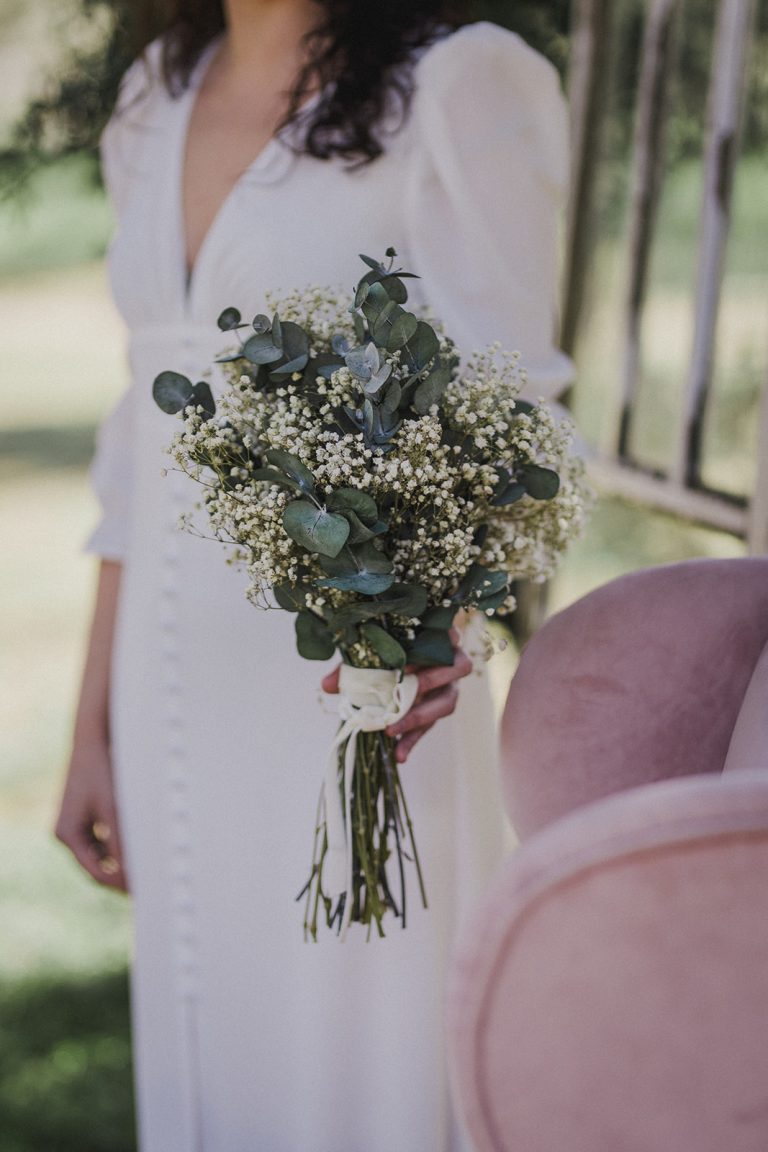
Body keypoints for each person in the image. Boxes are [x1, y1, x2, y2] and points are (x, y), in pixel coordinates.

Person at [54, 2, 573, 1149]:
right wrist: (91, 720)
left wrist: (446, 637)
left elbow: (523, 415)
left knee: (360, 1049)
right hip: (168, 684)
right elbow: (135, 437)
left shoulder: (460, 81)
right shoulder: (155, 91)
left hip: (363, 685)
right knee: (207, 1018)